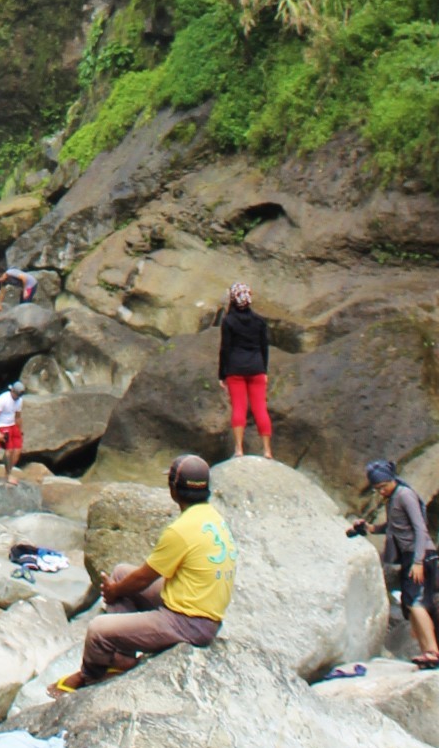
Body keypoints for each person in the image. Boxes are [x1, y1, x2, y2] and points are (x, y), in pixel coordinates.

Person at [51, 455, 235, 694]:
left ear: (173, 490)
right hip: (201, 608)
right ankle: (122, 659)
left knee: (98, 629)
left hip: (189, 621)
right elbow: (141, 577)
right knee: (120, 573)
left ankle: (91, 678)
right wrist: (118, 586)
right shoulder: (214, 519)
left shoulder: (180, 530)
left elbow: (143, 579)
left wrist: (113, 591)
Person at [352, 461, 439, 668]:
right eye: (377, 489)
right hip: (410, 556)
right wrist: (372, 528)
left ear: (392, 480)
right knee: (411, 605)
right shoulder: (393, 498)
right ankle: (427, 651)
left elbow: (420, 528)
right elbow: (396, 525)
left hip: (420, 555)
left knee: (415, 602)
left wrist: (418, 561)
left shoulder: (404, 495)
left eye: (383, 487)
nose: (381, 492)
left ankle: (432, 651)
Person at [217, 283, 273, 462]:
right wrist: (264, 370)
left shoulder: (229, 321)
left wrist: (222, 374)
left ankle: (239, 449)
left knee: (239, 408)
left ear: (233, 299)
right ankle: (267, 450)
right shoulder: (259, 321)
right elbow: (264, 347)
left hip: (235, 369)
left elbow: (225, 349)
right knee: (260, 409)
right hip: (257, 367)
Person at [0, 381, 25, 482]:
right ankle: (8, 475)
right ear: (12, 391)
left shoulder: (19, 401)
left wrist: (20, 430)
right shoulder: (3, 399)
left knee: (17, 450)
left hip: (12, 425)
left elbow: (18, 416)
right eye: (16, 394)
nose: (17, 397)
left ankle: (9, 470)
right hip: (3, 426)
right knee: (9, 450)